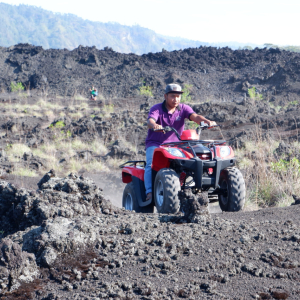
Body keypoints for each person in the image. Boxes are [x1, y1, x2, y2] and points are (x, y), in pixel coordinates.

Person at [144, 83, 217, 201]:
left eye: (178, 96)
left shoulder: (183, 108)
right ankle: (149, 192)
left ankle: (195, 187)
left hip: (176, 145)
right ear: (165, 96)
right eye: (172, 96)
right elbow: (150, 121)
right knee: (150, 163)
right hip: (156, 144)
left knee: (193, 160)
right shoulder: (156, 108)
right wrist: (155, 125)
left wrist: (207, 121)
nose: (176, 99)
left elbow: (195, 117)